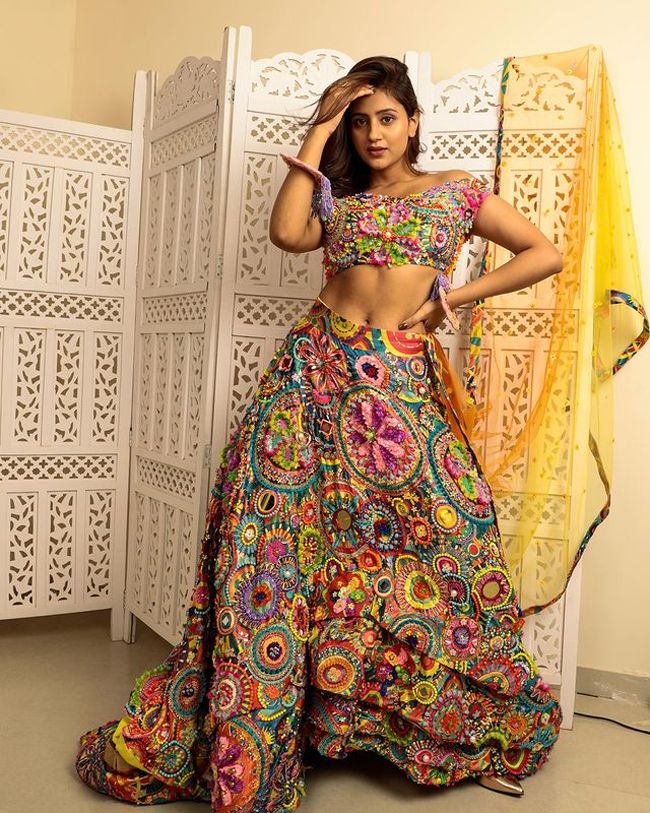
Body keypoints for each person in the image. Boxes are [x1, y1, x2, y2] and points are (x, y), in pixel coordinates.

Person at [75, 56, 564, 809]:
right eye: (359, 122)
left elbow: (545, 253)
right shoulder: (338, 197)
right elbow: (285, 232)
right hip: (313, 373)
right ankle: (282, 720)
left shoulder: (457, 190)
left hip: (398, 384)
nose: (374, 134)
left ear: (414, 121)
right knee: (283, 546)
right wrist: (319, 130)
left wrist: (452, 299)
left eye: (387, 118)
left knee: (447, 533)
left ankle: (445, 722)